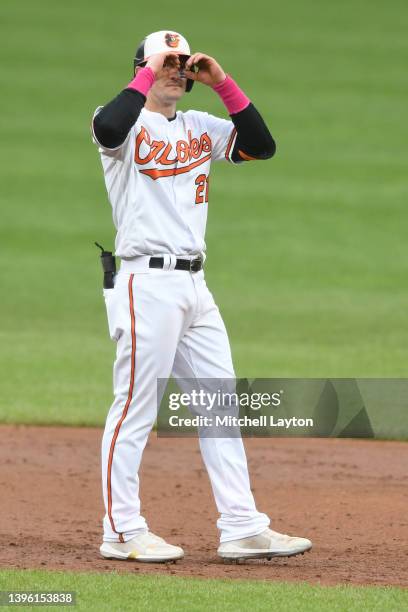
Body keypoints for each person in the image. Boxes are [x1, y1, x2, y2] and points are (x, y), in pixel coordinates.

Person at [91, 30, 312, 562]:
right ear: (141, 66)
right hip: (147, 283)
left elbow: (262, 146)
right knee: (135, 409)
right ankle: (120, 530)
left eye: (180, 63)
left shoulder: (201, 127)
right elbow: (109, 126)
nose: (175, 69)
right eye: (164, 61)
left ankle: (241, 525)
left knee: (220, 405)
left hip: (195, 287)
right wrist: (149, 71)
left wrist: (221, 82)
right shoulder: (121, 122)